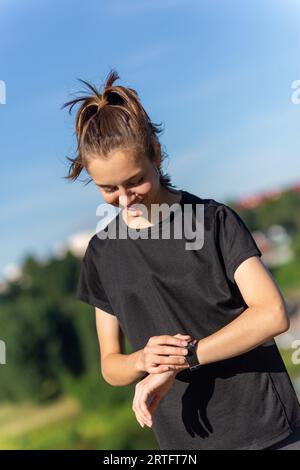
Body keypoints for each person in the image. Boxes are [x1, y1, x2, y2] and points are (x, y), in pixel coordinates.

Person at [63, 68, 300, 450]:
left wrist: (185, 358)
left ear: (155, 154)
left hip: (269, 430)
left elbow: (272, 314)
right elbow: (111, 365)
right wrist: (142, 359)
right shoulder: (101, 254)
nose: (125, 200)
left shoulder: (213, 221)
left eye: (135, 181)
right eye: (109, 189)